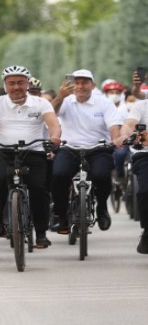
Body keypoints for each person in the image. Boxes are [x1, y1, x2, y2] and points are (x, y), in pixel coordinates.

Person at [0, 65, 61, 248]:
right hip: (2, 150)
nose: (16, 87)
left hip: (34, 150)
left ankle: (42, 232)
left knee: (39, 188)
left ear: (27, 83)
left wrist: (54, 137)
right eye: (11, 83)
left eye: (20, 82)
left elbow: (53, 123)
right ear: (5, 85)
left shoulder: (41, 103)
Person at [49, 69, 122, 233]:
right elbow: (49, 114)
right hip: (69, 148)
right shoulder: (65, 101)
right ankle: (61, 216)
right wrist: (60, 96)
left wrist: (116, 139)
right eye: (77, 82)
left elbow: (113, 126)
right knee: (59, 175)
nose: (80, 86)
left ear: (93, 85)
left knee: (101, 176)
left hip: (98, 148)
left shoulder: (104, 103)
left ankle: (102, 207)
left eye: (85, 82)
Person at [116, 70, 148, 253]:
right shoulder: (141, 105)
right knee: (145, 191)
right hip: (144, 154)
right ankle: (147, 231)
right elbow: (129, 124)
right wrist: (125, 134)